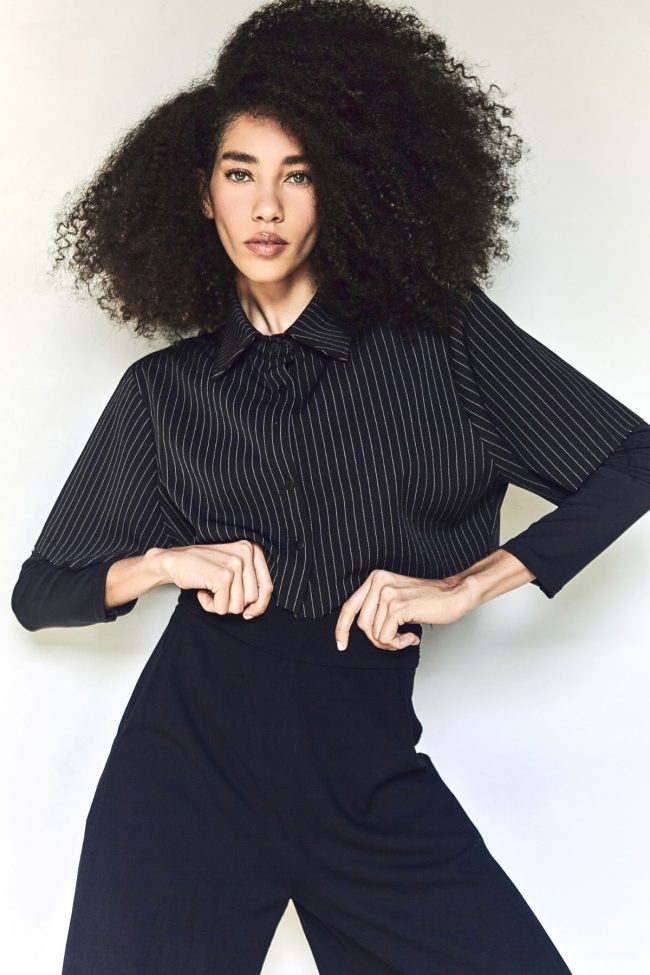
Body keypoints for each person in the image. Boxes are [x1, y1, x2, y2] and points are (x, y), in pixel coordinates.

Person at [11, 1, 650, 972]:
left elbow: (630, 460)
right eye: (240, 173)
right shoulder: (163, 394)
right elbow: (40, 592)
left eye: (298, 174)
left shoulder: (441, 343)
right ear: (203, 196)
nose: (266, 207)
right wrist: (166, 562)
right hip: (183, 770)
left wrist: (471, 582)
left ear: (339, 188)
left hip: (364, 777)